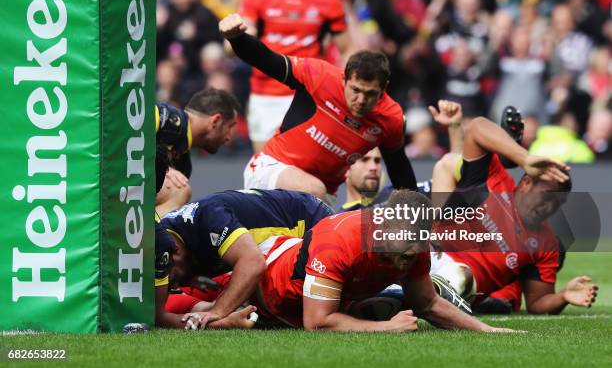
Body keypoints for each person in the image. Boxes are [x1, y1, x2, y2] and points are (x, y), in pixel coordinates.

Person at [253, 189, 518, 332]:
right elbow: (317, 322)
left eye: (416, 250)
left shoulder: (414, 245)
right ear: (385, 227)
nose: (408, 260)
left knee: (397, 301)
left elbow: (429, 304)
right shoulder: (340, 240)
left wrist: (487, 330)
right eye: (403, 252)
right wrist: (386, 328)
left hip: (318, 302)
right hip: (265, 291)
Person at [220, 13, 418, 202]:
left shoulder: (390, 118)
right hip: (271, 169)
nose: (360, 100)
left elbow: (400, 170)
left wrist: (420, 217)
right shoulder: (320, 76)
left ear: (384, 89)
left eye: (370, 94)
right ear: (345, 79)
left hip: (322, 196)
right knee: (313, 190)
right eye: (355, 90)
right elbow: (267, 59)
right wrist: (237, 38)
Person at [429, 116, 598, 314]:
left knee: (461, 277)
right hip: (430, 253)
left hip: (460, 286)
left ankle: (415, 296)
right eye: (546, 196)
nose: (548, 207)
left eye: (557, 203)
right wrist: (525, 158)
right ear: (526, 183)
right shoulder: (495, 180)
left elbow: (537, 302)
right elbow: (476, 127)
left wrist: (563, 297)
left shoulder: (547, 244)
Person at [154, 188, 333, 329]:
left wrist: (219, 311)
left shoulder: (207, 217)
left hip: (312, 224)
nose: (173, 285)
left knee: (267, 293)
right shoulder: (165, 236)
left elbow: (253, 263)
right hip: (282, 240)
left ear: (176, 251)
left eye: (172, 278)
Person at [239, 0, 351, 153]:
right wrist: (234, 39)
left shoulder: (328, 0)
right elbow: (245, 39)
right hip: (266, 92)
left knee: (305, 160)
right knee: (263, 163)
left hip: (307, 91)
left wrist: (342, 86)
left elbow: (346, 47)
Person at [156, 88, 240, 178]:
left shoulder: (183, 164)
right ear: (215, 121)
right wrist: (164, 170)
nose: (229, 137)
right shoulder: (162, 117)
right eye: (230, 126)